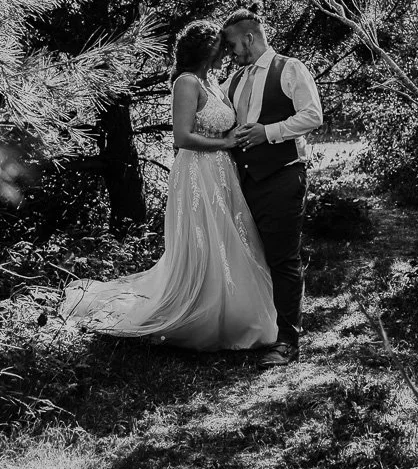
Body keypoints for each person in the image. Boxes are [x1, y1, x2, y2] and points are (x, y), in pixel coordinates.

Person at [59, 20, 277, 351]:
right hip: (197, 173)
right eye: (222, 47)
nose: (226, 53)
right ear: (208, 50)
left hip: (222, 173)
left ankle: (237, 308)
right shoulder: (186, 83)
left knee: (230, 238)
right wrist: (227, 143)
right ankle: (203, 311)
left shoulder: (213, 83)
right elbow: (182, 137)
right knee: (206, 242)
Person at [221, 1, 323, 367]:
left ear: (249, 38)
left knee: (283, 259)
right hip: (242, 180)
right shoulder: (233, 81)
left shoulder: (290, 68)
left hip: (282, 174)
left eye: (233, 46)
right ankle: (261, 328)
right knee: (252, 258)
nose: (231, 55)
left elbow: (313, 115)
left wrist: (269, 132)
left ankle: (288, 342)